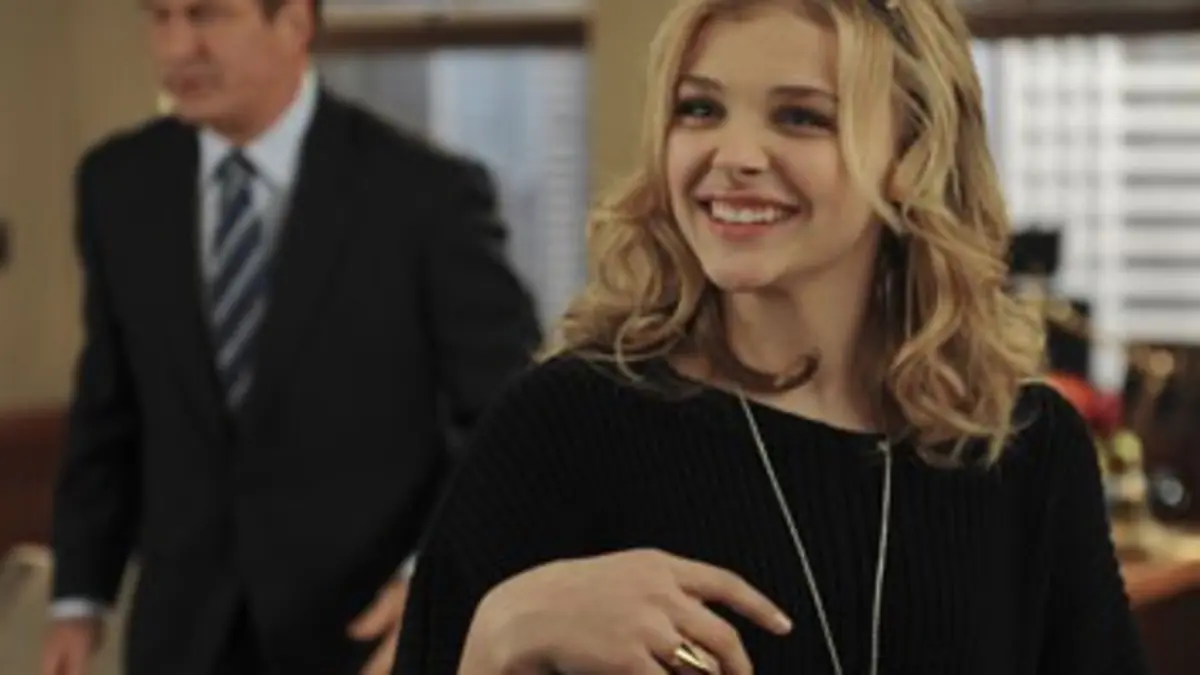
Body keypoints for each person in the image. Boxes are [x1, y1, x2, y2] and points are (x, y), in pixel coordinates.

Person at [391, 0, 1149, 673]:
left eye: (800, 117)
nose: (735, 157)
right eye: (700, 109)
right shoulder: (559, 427)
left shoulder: (1029, 452)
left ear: (912, 157)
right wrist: (506, 630)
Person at [40, 0, 540, 674]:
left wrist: (437, 577)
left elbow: (508, 421)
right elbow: (108, 405)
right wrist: (78, 598)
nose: (177, 47)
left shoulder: (426, 193)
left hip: (364, 632)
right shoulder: (117, 184)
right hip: (180, 636)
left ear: (295, 23)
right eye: (159, 16)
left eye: (206, 15)